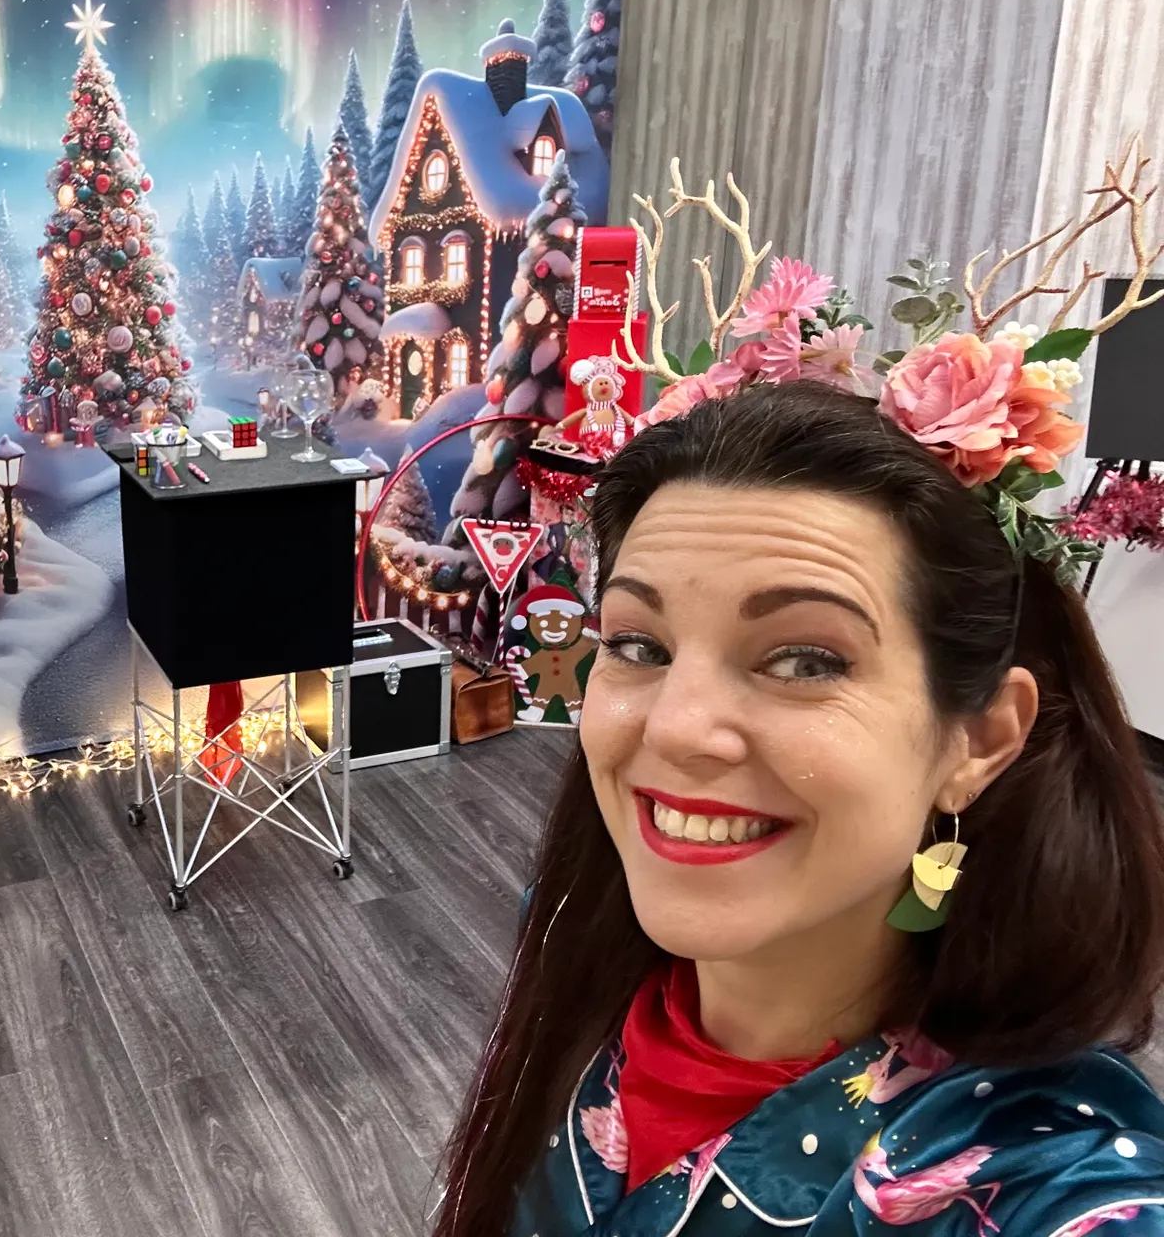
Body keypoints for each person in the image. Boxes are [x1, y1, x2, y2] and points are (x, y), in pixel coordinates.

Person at [436, 380, 1164, 1236]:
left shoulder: (1037, 1179)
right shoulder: (570, 943)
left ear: (979, 739)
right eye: (638, 644)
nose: (675, 728)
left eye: (805, 661)